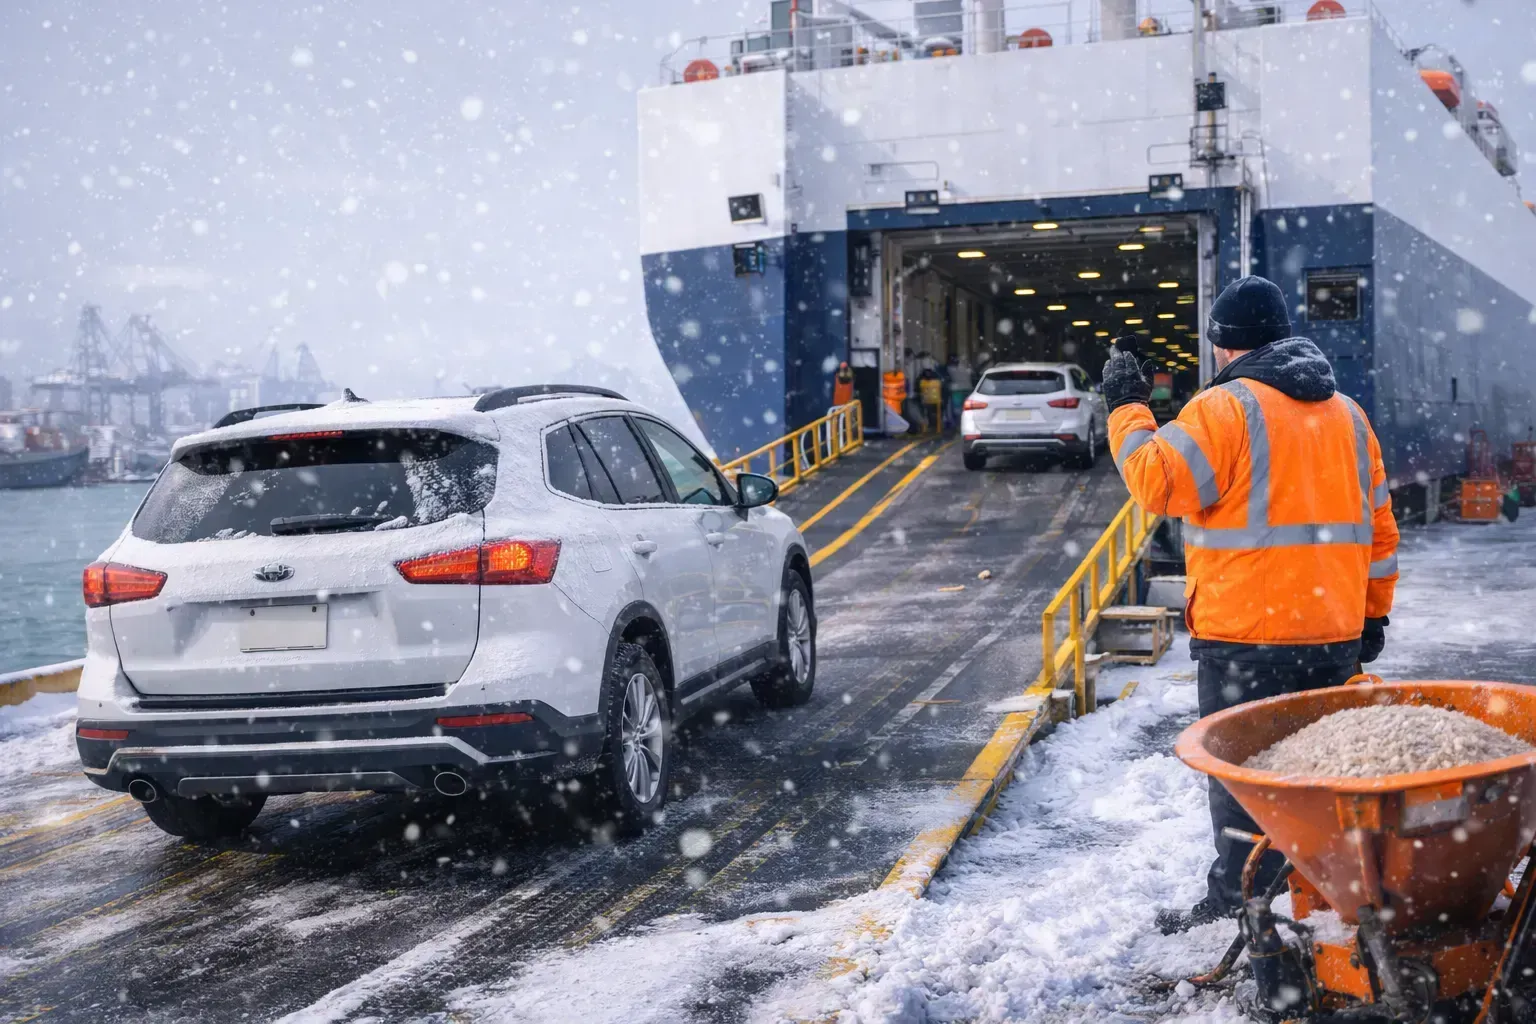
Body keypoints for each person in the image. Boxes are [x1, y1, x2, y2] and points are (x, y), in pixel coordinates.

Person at [1100, 275, 1400, 934]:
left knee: (1245, 780)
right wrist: (1372, 615)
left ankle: (1245, 900)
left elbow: (1155, 482)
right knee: (1320, 775)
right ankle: (1320, 895)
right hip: (1335, 636)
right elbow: (1379, 530)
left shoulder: (1224, 409)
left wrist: (1127, 404)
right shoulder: (1348, 414)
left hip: (1246, 639)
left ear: (1225, 345)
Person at [946, 353, 973, 429]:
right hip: (967, 389)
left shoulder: (949, 369)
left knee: (957, 408)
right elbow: (971, 372)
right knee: (967, 408)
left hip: (956, 390)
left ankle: (959, 425)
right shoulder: (966, 368)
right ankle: (967, 423)